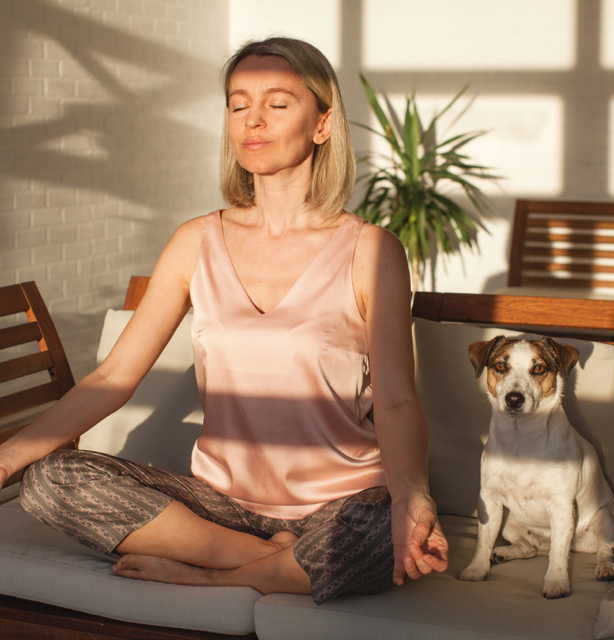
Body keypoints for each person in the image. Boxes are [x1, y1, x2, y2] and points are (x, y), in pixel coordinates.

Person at [0, 37, 448, 604]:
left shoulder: (372, 250)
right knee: (50, 481)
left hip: (338, 507)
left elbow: (398, 401)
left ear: (323, 124)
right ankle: (267, 565)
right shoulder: (195, 242)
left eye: (278, 103)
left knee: (386, 531)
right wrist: (11, 453)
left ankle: (211, 574)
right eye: (239, 104)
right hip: (218, 509)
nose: (253, 120)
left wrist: (414, 498)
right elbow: (114, 378)